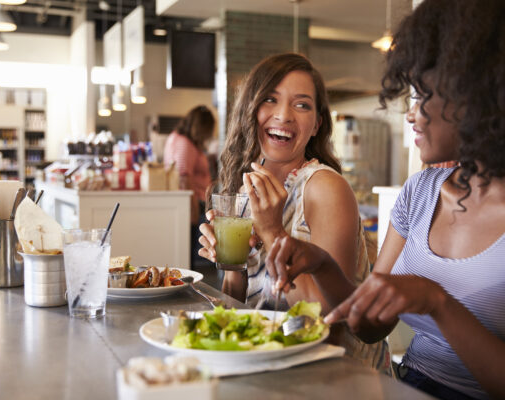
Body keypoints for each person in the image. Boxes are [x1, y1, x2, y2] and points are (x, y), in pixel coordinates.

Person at [265, 1, 505, 399]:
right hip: (407, 385)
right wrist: (322, 265)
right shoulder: (422, 190)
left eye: (421, 94)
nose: (409, 115)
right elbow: (368, 325)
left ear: (475, 94)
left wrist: (437, 302)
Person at [198, 53, 391, 373]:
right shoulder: (246, 190)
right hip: (271, 366)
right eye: (270, 99)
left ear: (316, 124)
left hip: (336, 374)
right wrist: (231, 263)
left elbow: (325, 318)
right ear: (251, 110)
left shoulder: (325, 188)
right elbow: (241, 305)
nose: (284, 115)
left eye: (301, 105)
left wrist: (273, 232)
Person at [163, 105, 215, 265]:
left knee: (189, 252)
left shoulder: (178, 139)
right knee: (189, 254)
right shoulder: (184, 143)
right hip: (192, 204)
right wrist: (192, 211)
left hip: (192, 203)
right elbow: (185, 178)